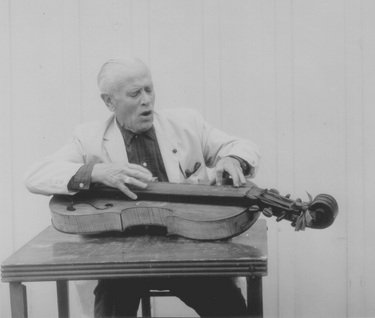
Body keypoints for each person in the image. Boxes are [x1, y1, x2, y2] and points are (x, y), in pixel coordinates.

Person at [25, 57, 261, 318]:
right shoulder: (87, 137)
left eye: (149, 89)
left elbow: (241, 147)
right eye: (135, 93)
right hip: (121, 257)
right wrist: (97, 171)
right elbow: (35, 175)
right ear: (109, 102)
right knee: (110, 309)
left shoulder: (186, 122)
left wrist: (231, 159)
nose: (147, 100)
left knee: (230, 310)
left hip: (188, 249)